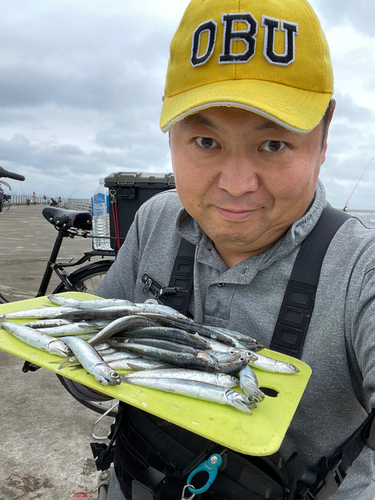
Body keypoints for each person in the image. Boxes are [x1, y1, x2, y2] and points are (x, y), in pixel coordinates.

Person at [96, 0, 375, 498]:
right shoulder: (156, 219)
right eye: (205, 141)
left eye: (273, 144)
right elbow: (89, 358)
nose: (237, 185)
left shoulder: (361, 268)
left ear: (325, 132)